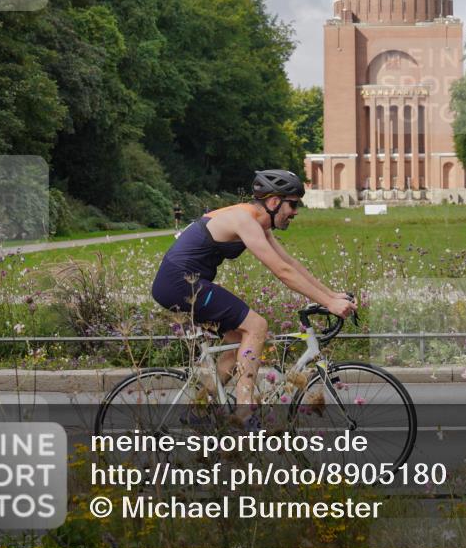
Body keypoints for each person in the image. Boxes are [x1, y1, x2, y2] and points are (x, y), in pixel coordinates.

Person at [151, 170, 356, 416]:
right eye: (292, 204)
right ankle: (244, 412)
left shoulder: (257, 223)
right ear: (273, 202)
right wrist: (329, 304)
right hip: (179, 283)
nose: (295, 212)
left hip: (183, 282)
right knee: (257, 326)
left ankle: (199, 409)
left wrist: (332, 296)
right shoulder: (244, 220)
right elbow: (282, 272)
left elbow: (290, 263)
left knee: (237, 339)